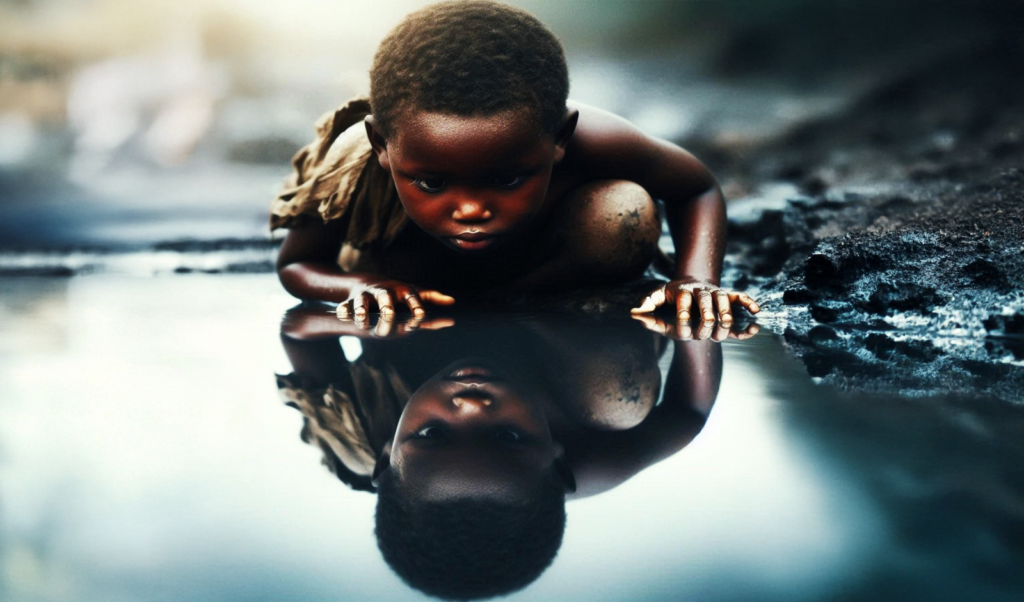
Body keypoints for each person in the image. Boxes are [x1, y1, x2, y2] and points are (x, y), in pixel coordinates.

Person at [272, 0, 760, 323]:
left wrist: (694, 282)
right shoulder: (354, 166)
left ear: (559, 138)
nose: (469, 210)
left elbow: (695, 188)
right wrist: (362, 286)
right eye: (432, 183)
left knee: (622, 212)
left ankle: (520, 297)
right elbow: (298, 264)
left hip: (541, 270)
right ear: (381, 145)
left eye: (506, 179)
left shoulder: (595, 138)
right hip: (408, 272)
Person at [277, 305, 757, 599]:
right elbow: (687, 416)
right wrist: (699, 317)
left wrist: (359, 319)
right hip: (552, 304)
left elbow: (297, 327)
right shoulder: (594, 461)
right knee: (617, 397)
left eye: (432, 435)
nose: (469, 406)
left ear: (385, 458)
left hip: (421, 272)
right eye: (506, 437)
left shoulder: (358, 433)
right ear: (560, 462)